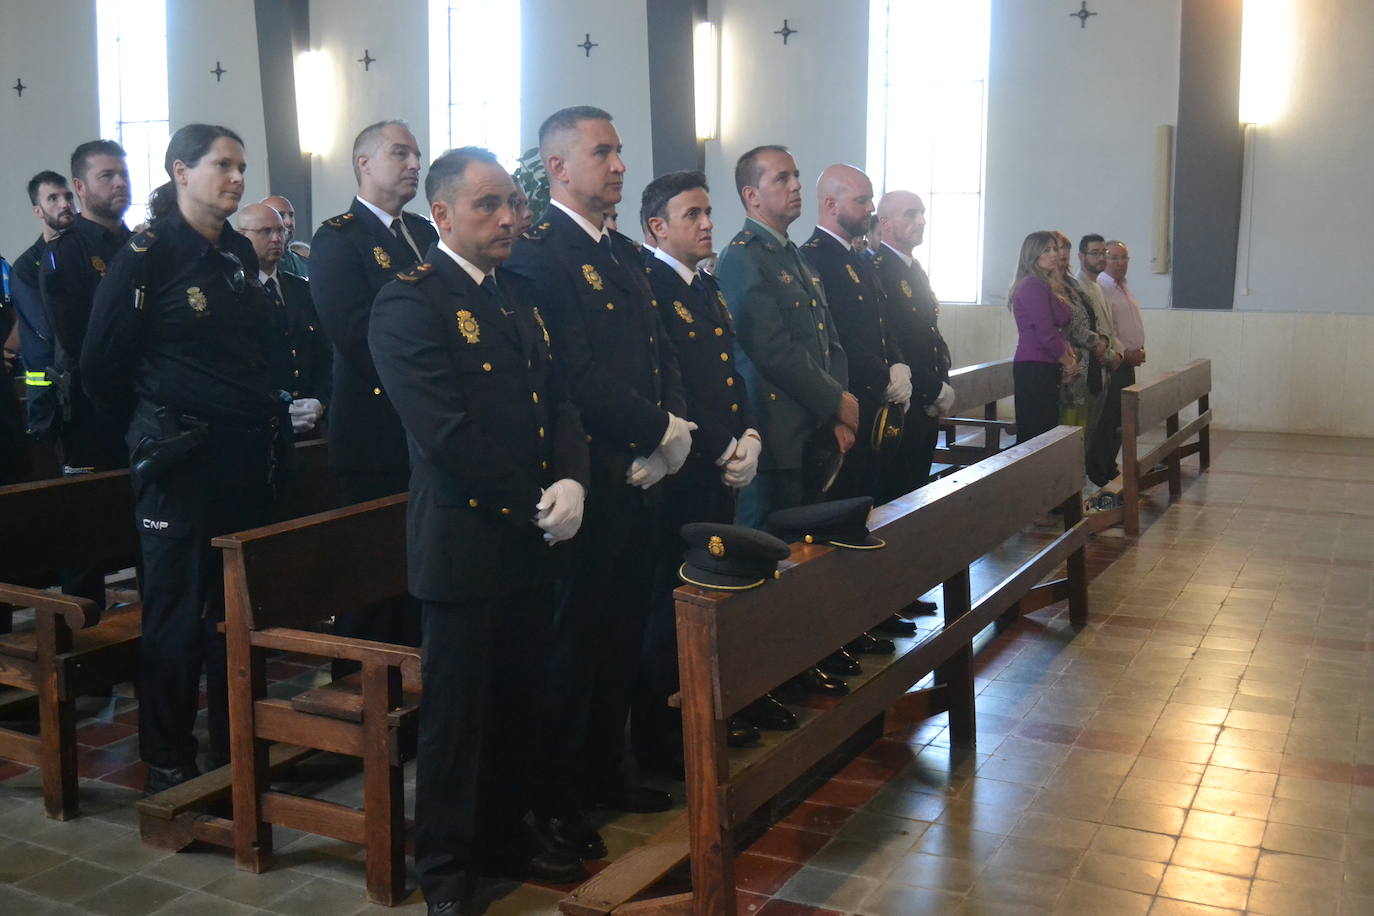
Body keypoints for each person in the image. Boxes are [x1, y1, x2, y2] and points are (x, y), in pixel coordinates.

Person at [370, 146, 591, 912]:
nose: (508, 219)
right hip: (466, 545)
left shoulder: (514, 299)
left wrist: (573, 478)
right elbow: (447, 435)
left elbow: (557, 402)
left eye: (511, 205)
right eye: (487, 206)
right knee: (458, 725)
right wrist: (538, 498)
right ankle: (448, 870)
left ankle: (505, 834)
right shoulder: (410, 302)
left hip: (529, 542)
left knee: (519, 703)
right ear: (441, 215)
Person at [504, 106, 688, 862]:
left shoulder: (619, 253)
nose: (619, 164)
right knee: (572, 650)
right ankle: (555, 799)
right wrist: (653, 435)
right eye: (602, 152)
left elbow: (658, 353)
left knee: (619, 637)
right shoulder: (541, 255)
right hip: (592, 481)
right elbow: (571, 376)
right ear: (558, 167)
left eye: (619, 150)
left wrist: (674, 429)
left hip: (640, 480)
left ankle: (607, 772)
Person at [81, 124, 283, 793]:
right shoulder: (148, 253)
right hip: (179, 458)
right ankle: (168, 755)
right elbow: (100, 363)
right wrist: (151, 429)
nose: (236, 178)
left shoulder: (233, 253)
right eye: (222, 165)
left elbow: (249, 347)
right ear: (180, 172)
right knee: (175, 610)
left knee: (233, 610)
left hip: (239, 453)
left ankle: (233, 744)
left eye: (242, 167)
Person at [634, 170, 767, 774]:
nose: (708, 223)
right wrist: (720, 444)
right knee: (674, 607)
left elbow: (727, 376)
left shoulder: (704, 287)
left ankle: (709, 713)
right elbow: (673, 388)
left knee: (714, 594)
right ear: (657, 228)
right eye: (692, 215)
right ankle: (665, 740)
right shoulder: (651, 287)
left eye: (709, 212)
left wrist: (750, 436)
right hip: (683, 471)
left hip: (719, 467)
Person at [310, 119, 436, 655]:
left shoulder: (427, 234)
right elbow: (356, 336)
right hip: (376, 432)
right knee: (372, 575)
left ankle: (409, 687)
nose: (415, 164)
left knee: (416, 572)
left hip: (425, 433)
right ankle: (360, 693)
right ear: (364, 163)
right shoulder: (339, 238)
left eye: (417, 155)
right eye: (400, 153)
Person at [716, 146, 855, 529]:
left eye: (795, 175)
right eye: (782, 178)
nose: (796, 185)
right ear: (751, 195)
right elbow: (771, 349)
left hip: (811, 433)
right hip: (775, 440)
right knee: (767, 557)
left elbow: (831, 343)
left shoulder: (795, 257)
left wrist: (838, 412)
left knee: (805, 557)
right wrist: (835, 402)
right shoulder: (742, 258)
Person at [799, 164, 908, 505]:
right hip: (845, 407)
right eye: (862, 200)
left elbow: (881, 320)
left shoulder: (859, 258)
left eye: (871, 199)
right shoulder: (813, 259)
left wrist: (899, 364)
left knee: (875, 506)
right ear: (831, 204)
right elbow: (836, 336)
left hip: (876, 406)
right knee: (843, 514)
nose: (871, 208)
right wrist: (883, 374)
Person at [39, 140, 133, 476]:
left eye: (123, 174)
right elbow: (77, 337)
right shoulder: (65, 252)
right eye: (107, 176)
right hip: (98, 410)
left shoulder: (142, 247)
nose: (120, 183)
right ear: (79, 187)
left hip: (155, 403)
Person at [870, 191, 954, 501]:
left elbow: (929, 333)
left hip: (924, 402)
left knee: (915, 491)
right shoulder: (879, 269)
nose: (920, 221)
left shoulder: (913, 269)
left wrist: (941, 382)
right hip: (902, 402)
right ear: (886, 223)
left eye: (921, 213)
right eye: (910, 214)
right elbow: (893, 340)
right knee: (896, 497)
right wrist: (931, 387)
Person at [237, 203, 330, 438]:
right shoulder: (234, 291)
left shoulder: (300, 289)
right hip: (258, 428)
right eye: (266, 232)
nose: (277, 238)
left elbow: (324, 353)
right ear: (241, 236)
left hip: (310, 420)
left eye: (281, 231)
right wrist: (276, 410)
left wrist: (320, 400)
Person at [12, 172, 75, 444]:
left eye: (68, 196)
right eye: (53, 198)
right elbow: (49, 325)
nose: (64, 204)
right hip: (49, 391)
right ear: (38, 211)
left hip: (86, 382)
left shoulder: (87, 253)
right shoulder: (27, 266)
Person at [1008, 231, 1076, 445]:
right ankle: (1027, 479)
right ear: (1033, 254)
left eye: (1055, 248)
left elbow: (1057, 329)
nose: (1054, 254)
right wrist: (1068, 362)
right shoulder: (1032, 285)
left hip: (1045, 365)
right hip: (1034, 367)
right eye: (1047, 250)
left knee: (1046, 432)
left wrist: (1066, 353)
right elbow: (1045, 333)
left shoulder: (1046, 284)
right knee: (1035, 435)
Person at [1095, 240, 1147, 479]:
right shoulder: (1102, 287)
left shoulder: (1123, 286)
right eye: (1114, 258)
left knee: (1121, 419)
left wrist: (1138, 346)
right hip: (1115, 362)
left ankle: (1110, 465)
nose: (1120, 263)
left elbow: (1129, 324)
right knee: (1108, 419)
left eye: (1124, 258)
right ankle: (1100, 469)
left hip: (1128, 362)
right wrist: (1127, 352)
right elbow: (1106, 329)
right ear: (1104, 259)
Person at [1077, 234, 1125, 486]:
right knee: (1085, 435)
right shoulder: (1079, 287)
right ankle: (1078, 484)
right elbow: (1088, 333)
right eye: (1095, 253)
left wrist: (1117, 353)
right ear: (1081, 256)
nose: (1100, 258)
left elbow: (1109, 329)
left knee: (1097, 430)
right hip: (1090, 370)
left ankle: (1088, 480)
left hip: (1106, 366)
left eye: (1102, 253)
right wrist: (1109, 355)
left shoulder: (1098, 286)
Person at [1052, 230, 1107, 433]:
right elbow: (1071, 326)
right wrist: (1098, 343)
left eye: (1066, 248)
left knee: (1084, 433)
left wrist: (1103, 342)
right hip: (1068, 371)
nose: (1062, 253)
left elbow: (1091, 317)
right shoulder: (1048, 287)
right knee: (1067, 433)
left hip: (1087, 368)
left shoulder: (1072, 284)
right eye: (1056, 249)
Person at [261, 195, 308, 278]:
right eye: (281, 215)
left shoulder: (306, 264)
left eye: (291, 215)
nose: (289, 222)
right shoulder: (254, 263)